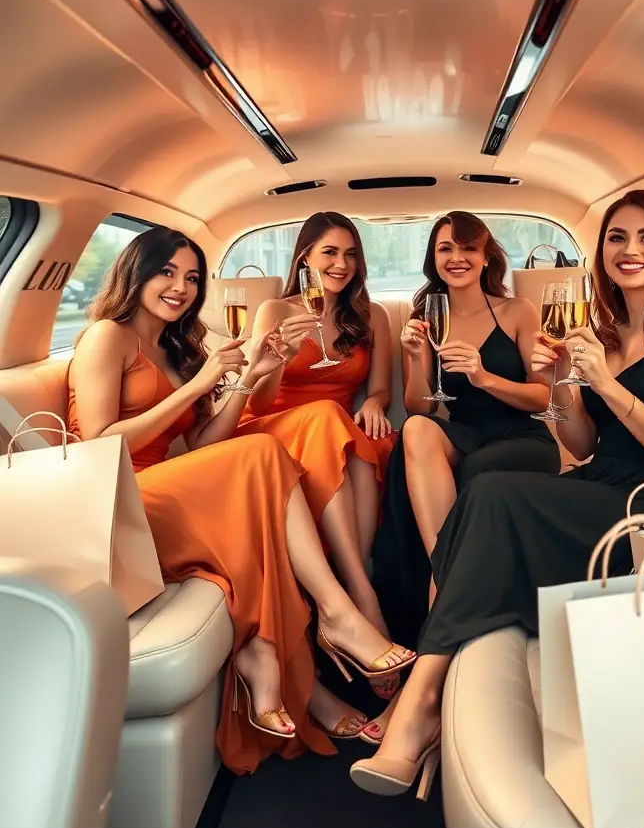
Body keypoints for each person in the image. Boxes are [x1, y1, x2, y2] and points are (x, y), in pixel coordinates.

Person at [350, 189, 644, 797]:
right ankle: (426, 697)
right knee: (483, 494)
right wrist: (562, 387)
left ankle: (418, 702)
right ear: (601, 250)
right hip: (600, 483)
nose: (630, 251)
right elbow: (580, 444)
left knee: (494, 494)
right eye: (616, 238)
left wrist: (609, 385)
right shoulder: (604, 330)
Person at [66, 225, 415, 776]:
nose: (180, 287)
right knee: (260, 460)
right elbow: (96, 443)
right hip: (114, 498)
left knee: (259, 467)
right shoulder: (108, 337)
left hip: (166, 485)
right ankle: (337, 612)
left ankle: (301, 671)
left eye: (192, 277)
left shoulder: (175, 347)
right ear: (135, 273)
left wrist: (250, 376)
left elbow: (204, 445)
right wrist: (199, 383)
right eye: (166, 272)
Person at [364, 212, 560, 741]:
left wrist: (482, 375)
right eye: (445, 248)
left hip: (522, 439)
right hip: (464, 433)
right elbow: (419, 406)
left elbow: (543, 399)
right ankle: (451, 577)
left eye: (467, 249)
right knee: (418, 433)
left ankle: (419, 681)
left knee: (471, 470)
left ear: (486, 255)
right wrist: (415, 359)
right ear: (433, 257)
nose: (457, 258)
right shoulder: (426, 315)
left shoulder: (517, 310)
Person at [237, 212, 399, 697]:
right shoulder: (275, 311)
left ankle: (355, 583)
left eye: (351, 254)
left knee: (377, 441)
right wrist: (280, 358)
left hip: (331, 431)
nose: (341, 264)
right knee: (330, 417)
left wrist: (372, 402)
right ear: (305, 256)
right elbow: (254, 401)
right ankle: (362, 597)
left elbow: (380, 391)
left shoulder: (373, 317)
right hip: (272, 429)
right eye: (329, 252)